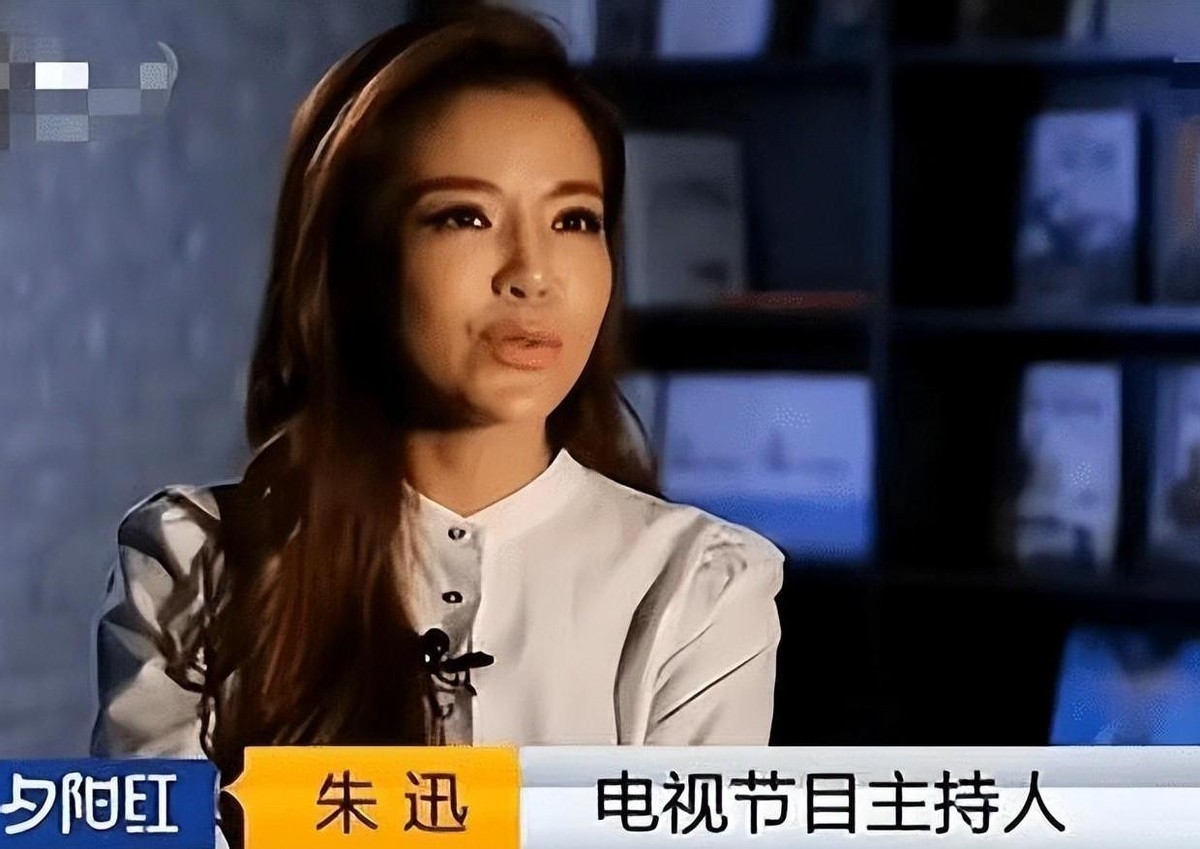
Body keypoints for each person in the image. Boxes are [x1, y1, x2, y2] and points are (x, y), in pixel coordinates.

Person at [89, 5, 784, 841]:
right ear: (353, 261)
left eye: (575, 220)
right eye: (465, 216)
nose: (533, 274)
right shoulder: (195, 560)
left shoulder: (696, 586)